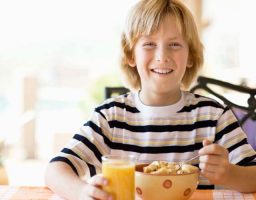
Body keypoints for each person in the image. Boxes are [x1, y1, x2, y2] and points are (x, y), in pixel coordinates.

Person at [45, 0, 256, 199]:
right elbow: (55, 170)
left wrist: (229, 174)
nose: (162, 56)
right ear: (130, 55)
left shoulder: (214, 116)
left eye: (174, 44)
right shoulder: (111, 117)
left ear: (190, 56)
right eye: (149, 44)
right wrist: (82, 193)